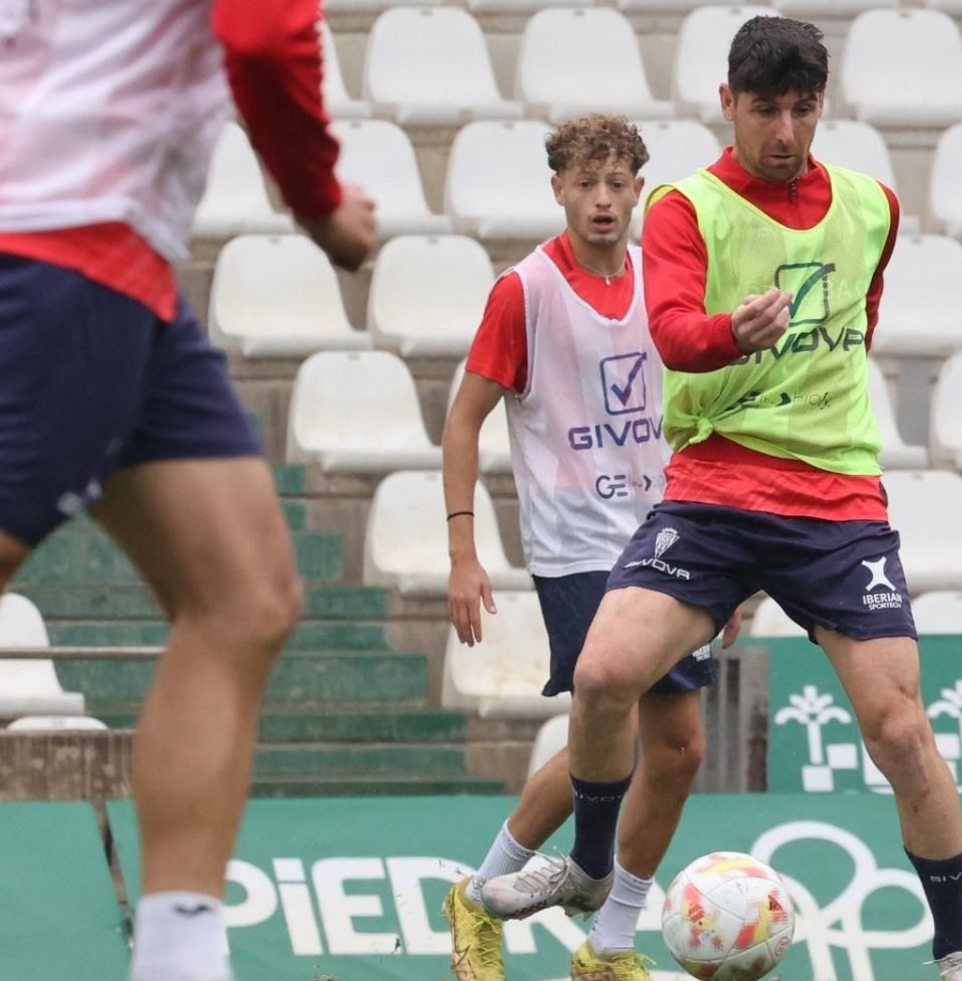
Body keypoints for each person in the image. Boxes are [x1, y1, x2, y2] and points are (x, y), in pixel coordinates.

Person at [484, 17, 962, 981]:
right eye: (766, 109)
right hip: (715, 489)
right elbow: (673, 334)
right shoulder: (685, 207)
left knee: (900, 727)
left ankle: (957, 950)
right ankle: (593, 868)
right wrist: (734, 333)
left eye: (803, 110)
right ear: (729, 103)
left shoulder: (872, 206)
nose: (786, 132)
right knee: (602, 678)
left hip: (835, 503)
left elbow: (857, 328)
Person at [0, 2, 376, 980]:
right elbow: (262, 33)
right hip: (53, 235)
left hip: (112, 257)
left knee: (245, 598)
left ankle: (180, 962)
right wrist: (317, 202)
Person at [439, 114, 729, 981]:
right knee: (614, 724)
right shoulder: (523, 292)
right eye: (584, 184)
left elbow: (705, 414)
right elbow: (462, 423)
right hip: (576, 548)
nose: (602, 201)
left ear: (640, 190)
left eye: (617, 185)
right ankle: (498, 893)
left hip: (672, 535)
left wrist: (733, 560)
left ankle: (601, 942)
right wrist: (464, 549)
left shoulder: (666, 282)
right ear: (558, 188)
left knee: (677, 749)